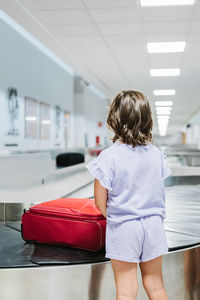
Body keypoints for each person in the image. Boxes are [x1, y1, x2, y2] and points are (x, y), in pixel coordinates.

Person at [85, 90, 171, 300]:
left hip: (124, 227)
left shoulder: (108, 156)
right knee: (156, 284)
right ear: (147, 119)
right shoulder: (157, 154)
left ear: (114, 118)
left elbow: (100, 202)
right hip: (153, 225)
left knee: (126, 290)